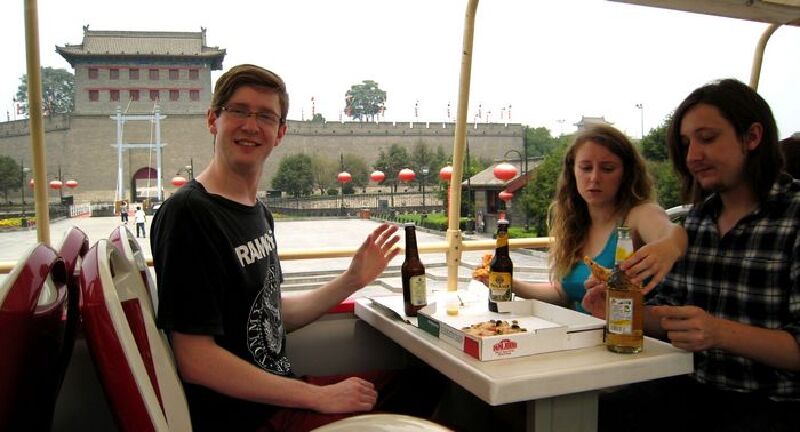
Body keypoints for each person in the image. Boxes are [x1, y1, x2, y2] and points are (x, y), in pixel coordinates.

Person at [151, 64, 443, 432]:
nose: (251, 125)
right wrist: (318, 397)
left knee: (428, 381)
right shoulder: (189, 214)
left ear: (280, 132)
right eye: (239, 111)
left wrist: (352, 280)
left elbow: (272, 314)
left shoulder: (257, 212)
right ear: (213, 120)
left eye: (265, 116)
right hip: (251, 419)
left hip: (281, 397)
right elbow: (196, 359)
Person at [585, 79, 800, 431]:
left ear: (752, 137)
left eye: (707, 138)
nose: (692, 157)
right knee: (572, 413)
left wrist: (718, 332)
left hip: (773, 405)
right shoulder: (698, 219)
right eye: (686, 144)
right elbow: (672, 314)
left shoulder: (793, 215)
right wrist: (620, 307)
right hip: (689, 390)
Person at [479, 124, 686, 312]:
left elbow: (671, 232)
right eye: (586, 168)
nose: (594, 178)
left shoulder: (638, 215)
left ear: (626, 173)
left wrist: (669, 245)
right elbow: (564, 293)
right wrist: (512, 284)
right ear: (573, 172)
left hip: (623, 336)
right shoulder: (574, 224)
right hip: (578, 337)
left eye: (607, 169)